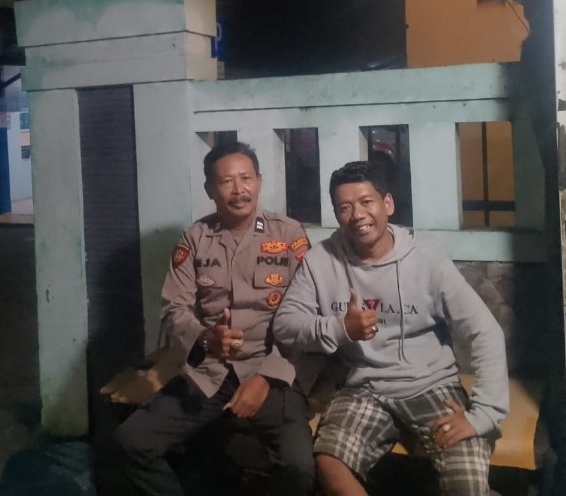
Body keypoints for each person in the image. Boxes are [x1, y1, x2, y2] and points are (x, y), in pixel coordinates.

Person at [273, 161, 509, 496]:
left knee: (467, 484)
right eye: (345, 207)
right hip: (363, 387)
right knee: (329, 463)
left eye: (366, 202)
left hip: (433, 385)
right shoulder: (321, 260)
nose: (357, 215)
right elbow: (285, 324)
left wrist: (482, 414)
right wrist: (339, 328)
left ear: (388, 204)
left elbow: (485, 332)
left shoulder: (428, 260)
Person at [114, 141, 316, 496]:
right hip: (210, 370)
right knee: (131, 442)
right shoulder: (195, 239)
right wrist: (207, 338)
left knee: (299, 467)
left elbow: (307, 314)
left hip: (272, 370)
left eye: (246, 178)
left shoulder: (288, 235)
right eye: (226, 181)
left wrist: (267, 378)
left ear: (259, 182)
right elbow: (175, 308)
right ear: (210, 189)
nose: (239, 189)